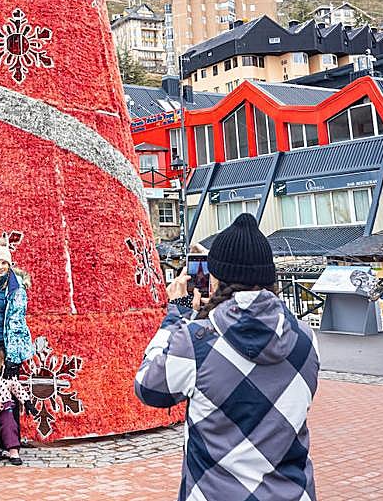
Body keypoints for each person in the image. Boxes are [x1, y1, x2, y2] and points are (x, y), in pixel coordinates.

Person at [135, 213, 320, 501]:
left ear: (215, 279)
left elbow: (148, 387)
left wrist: (177, 313)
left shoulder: (195, 341)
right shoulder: (307, 340)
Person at [0, 243, 33, 377]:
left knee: (8, 388)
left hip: (5, 343)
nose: (0, 267)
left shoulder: (16, 288)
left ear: (9, 265)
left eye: (4, 263)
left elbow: (17, 324)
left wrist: (13, 357)